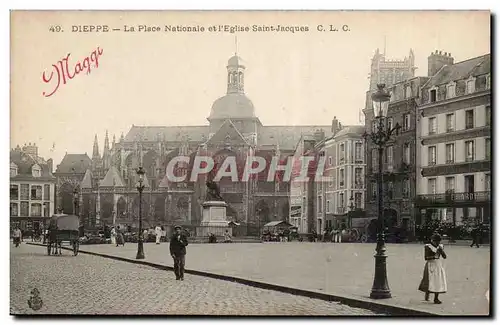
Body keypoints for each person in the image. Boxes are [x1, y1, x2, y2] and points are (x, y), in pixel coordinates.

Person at [418, 233, 447, 304]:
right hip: (430, 265)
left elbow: (444, 256)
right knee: (429, 280)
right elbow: (426, 257)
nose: (437, 243)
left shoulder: (440, 246)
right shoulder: (428, 247)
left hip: (438, 265)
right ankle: (427, 294)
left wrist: (441, 251)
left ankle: (436, 298)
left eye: (439, 242)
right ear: (432, 241)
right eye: (436, 241)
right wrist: (434, 256)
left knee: (438, 281)